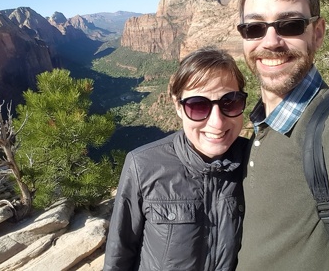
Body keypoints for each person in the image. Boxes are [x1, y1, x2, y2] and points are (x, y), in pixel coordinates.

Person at [235, 0, 329, 270]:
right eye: (254, 27)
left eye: (291, 25)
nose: (271, 41)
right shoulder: (261, 122)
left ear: (318, 33)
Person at [103, 47, 248, 271]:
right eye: (198, 106)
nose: (217, 123)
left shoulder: (255, 162)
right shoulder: (142, 165)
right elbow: (119, 256)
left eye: (230, 101)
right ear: (178, 107)